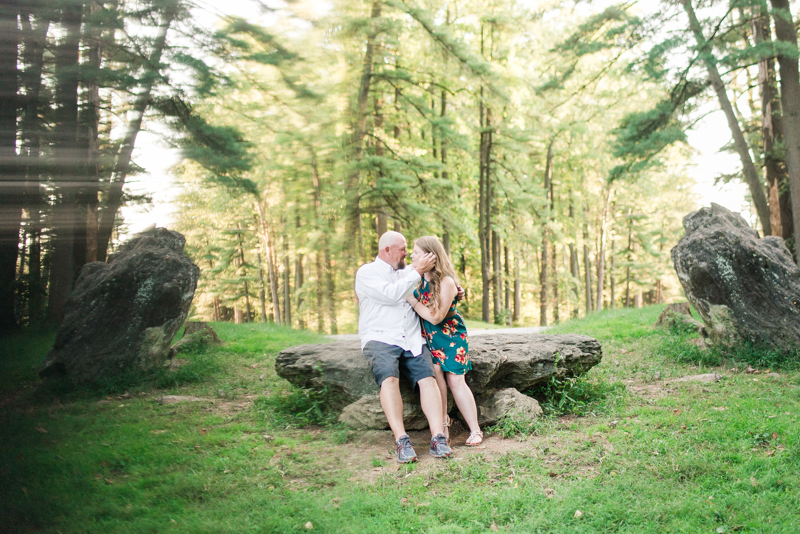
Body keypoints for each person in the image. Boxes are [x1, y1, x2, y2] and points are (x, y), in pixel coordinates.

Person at [355, 231, 454, 463]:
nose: (407, 253)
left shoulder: (410, 272)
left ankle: (438, 437)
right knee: (389, 378)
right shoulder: (367, 272)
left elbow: (436, 288)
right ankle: (402, 440)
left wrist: (455, 292)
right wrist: (416, 271)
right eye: (402, 248)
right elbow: (391, 295)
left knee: (427, 378)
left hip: (411, 337)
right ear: (387, 250)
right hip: (380, 337)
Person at [405, 236, 483, 446]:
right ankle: (443, 426)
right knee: (436, 374)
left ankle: (475, 430)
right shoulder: (418, 278)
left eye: (416, 252)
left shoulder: (446, 281)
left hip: (449, 337)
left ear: (430, 256)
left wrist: (412, 301)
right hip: (428, 338)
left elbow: (436, 316)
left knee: (456, 380)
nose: (411, 255)